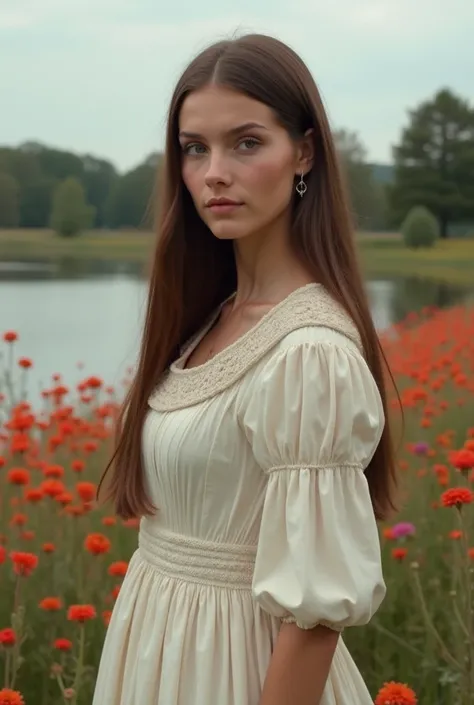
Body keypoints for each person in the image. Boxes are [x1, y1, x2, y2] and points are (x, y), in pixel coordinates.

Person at [93, 32, 397, 705]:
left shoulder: (309, 352)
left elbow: (313, 618)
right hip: (160, 652)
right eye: (194, 148)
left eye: (247, 142)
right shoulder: (210, 318)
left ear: (305, 153)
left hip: (239, 671)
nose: (213, 173)